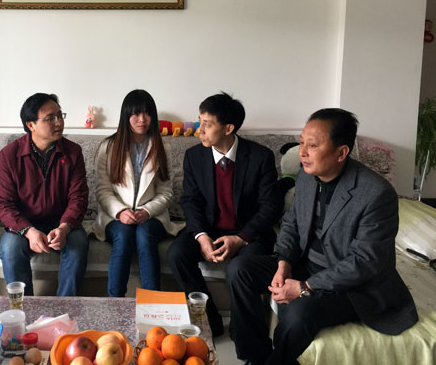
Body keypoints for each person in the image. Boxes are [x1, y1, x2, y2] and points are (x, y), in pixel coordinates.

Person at [229, 108, 418, 365]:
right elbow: (291, 224)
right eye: (301, 142)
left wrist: (305, 287)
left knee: (299, 313)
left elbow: (364, 262)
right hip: (307, 264)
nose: (302, 152)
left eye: (313, 145)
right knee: (240, 269)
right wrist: (284, 263)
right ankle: (255, 354)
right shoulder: (307, 177)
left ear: (341, 153)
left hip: (354, 287)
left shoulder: (376, 193)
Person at [168, 92, 282, 338]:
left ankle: (243, 330)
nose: (200, 130)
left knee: (241, 268)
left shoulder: (260, 157)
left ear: (228, 128)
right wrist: (201, 236)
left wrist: (240, 239)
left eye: (207, 125)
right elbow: (190, 201)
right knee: (177, 253)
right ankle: (209, 320)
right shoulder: (194, 156)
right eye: (199, 122)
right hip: (209, 228)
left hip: (248, 232)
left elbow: (270, 207)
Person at [0, 93, 89, 297]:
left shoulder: (73, 152)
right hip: (24, 223)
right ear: (31, 125)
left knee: (79, 244)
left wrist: (64, 228)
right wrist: (29, 231)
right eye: (50, 118)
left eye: (60, 115)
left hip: (62, 221)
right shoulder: (9, 155)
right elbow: (3, 204)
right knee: (10, 249)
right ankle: (23, 307)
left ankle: (66, 308)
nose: (59, 122)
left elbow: (78, 198)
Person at [94, 89, 182, 297]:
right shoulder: (108, 146)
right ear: (126, 115)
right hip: (115, 215)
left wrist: (147, 211)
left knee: (144, 236)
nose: (142, 119)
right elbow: (102, 189)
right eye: (136, 113)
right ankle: (115, 302)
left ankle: (153, 303)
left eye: (147, 113)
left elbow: (166, 192)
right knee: (124, 236)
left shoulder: (163, 147)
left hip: (152, 215)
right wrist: (120, 212)